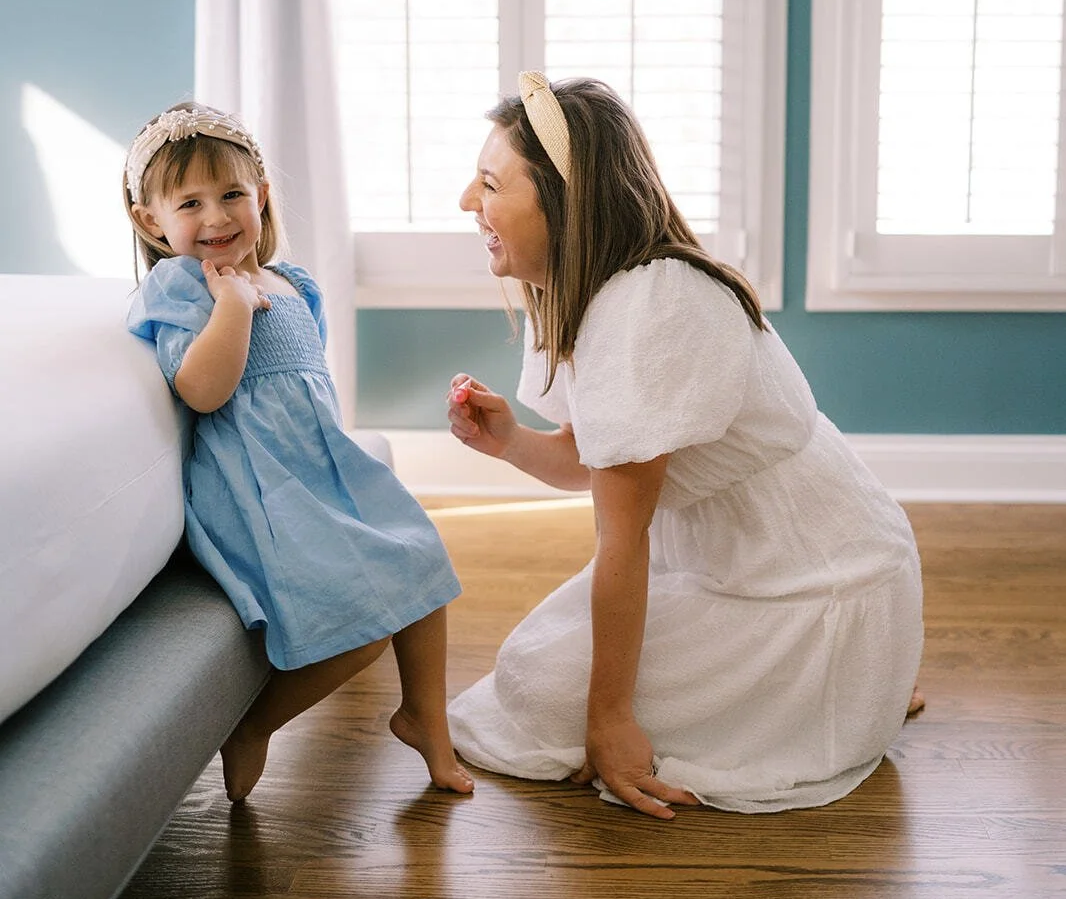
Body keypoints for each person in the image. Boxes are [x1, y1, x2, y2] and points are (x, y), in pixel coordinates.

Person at [445, 72, 924, 821]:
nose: (469, 203)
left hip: (813, 584)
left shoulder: (655, 305)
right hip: (732, 568)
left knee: (540, 691)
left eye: (489, 183)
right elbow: (595, 460)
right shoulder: (597, 294)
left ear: (566, 202)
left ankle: (852, 678)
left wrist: (611, 721)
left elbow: (624, 533)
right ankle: (861, 683)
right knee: (530, 671)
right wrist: (510, 443)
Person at [123, 102, 473, 802]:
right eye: (190, 202)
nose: (217, 217)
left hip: (320, 469)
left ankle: (425, 720)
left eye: (232, 195)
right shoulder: (182, 287)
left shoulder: (297, 285)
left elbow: (312, 394)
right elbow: (202, 390)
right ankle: (254, 727)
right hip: (260, 485)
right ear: (151, 221)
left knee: (422, 558)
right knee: (362, 629)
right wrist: (230, 309)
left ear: (263, 197)